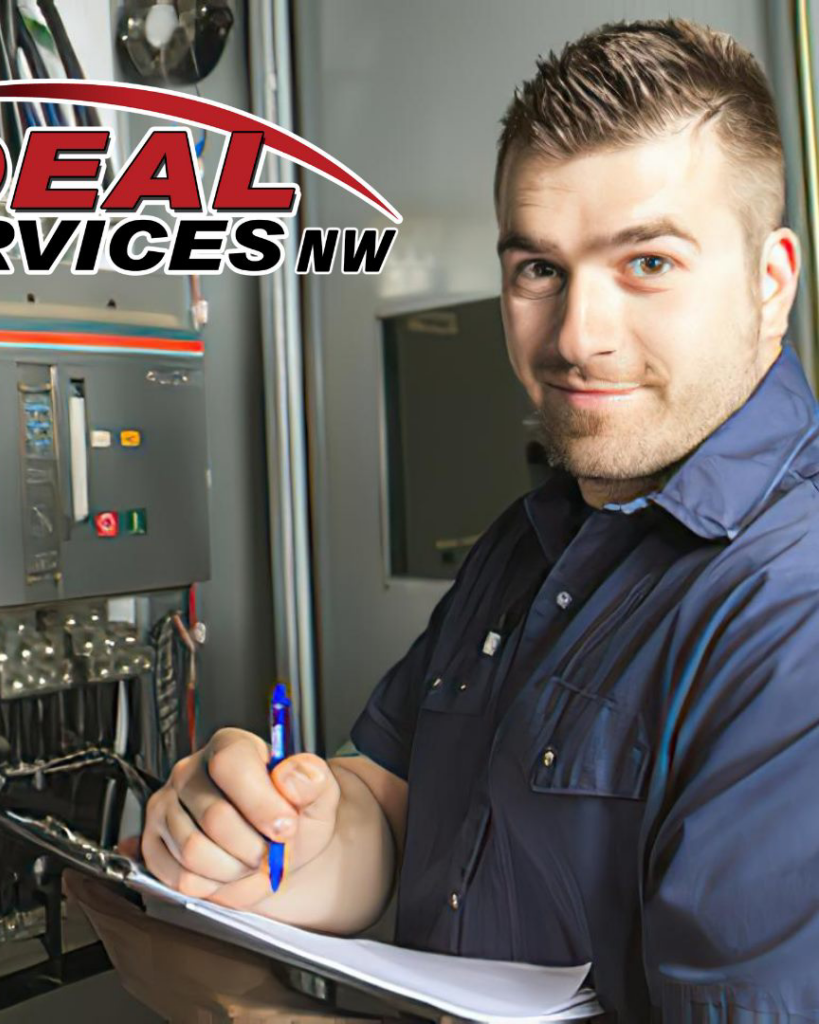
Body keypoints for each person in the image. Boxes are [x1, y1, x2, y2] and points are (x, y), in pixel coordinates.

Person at [130, 18, 819, 1020]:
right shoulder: (538, 536)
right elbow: (399, 806)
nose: (578, 337)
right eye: (538, 268)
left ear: (770, 282)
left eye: (649, 263)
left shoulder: (789, 609)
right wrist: (282, 838)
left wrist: (247, 1013)